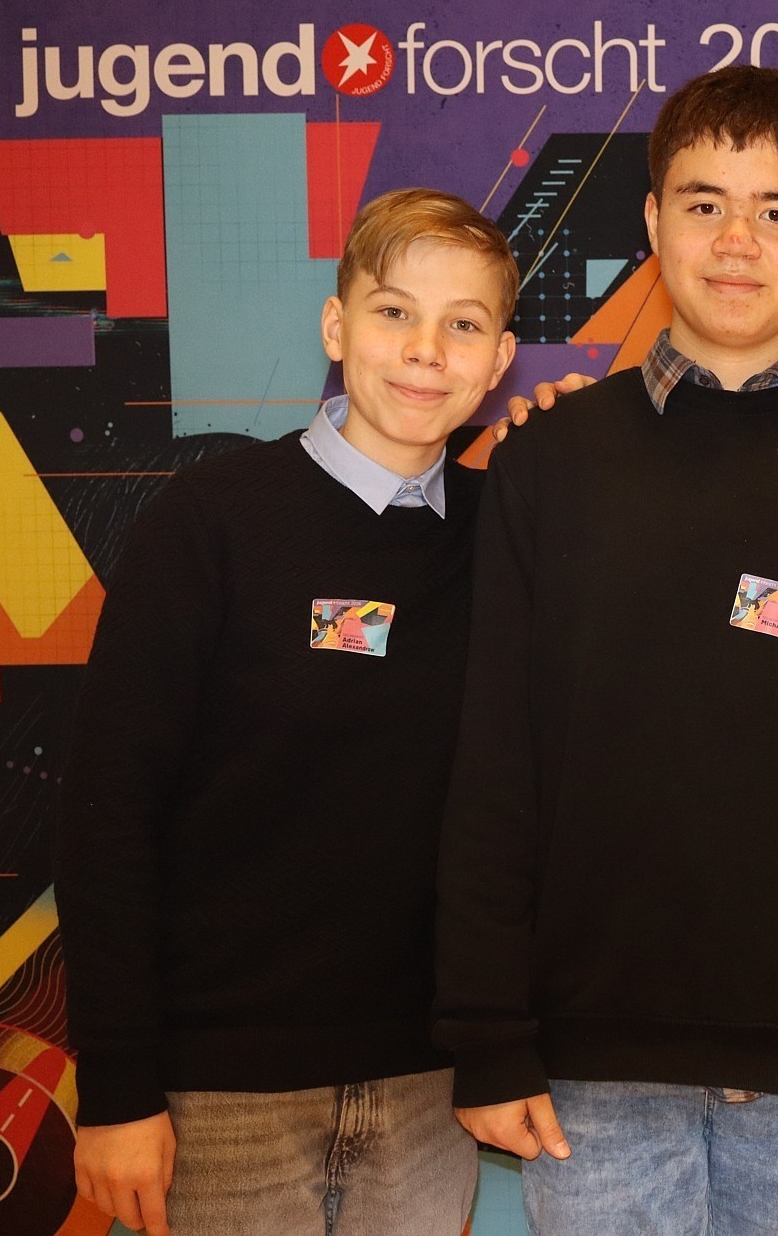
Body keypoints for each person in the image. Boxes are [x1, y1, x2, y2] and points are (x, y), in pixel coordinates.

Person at [433, 66, 778, 1236]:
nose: (736, 240)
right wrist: (487, 1033)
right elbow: (493, 767)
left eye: (776, 209)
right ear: (650, 220)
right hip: (587, 1078)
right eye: (702, 203)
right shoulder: (547, 461)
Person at [57, 188, 519, 1236]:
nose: (426, 351)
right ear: (335, 326)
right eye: (394, 312)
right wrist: (119, 1085)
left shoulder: (510, 538)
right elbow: (106, 816)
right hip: (221, 1099)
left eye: (463, 324)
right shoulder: (212, 521)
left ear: (499, 361)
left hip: (428, 1093)